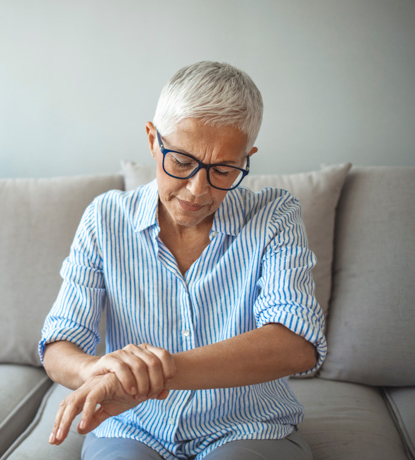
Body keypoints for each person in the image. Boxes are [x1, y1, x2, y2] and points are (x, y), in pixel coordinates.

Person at [39, 61, 327, 460]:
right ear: (152, 139)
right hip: (132, 424)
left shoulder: (275, 216)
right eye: (181, 162)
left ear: (247, 157)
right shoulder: (104, 218)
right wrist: (98, 373)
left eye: (224, 170)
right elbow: (59, 344)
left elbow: (296, 344)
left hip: (249, 426)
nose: (197, 190)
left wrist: (159, 371)